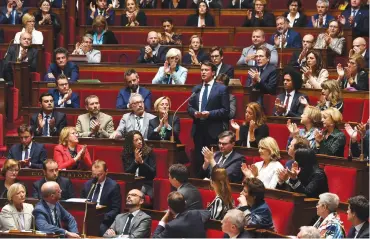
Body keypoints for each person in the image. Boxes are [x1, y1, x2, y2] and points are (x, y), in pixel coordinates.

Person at [187, 61, 230, 177]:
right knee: (199, 159)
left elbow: (226, 111)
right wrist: (194, 113)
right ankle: (199, 180)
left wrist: (209, 114)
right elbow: (189, 107)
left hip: (213, 131)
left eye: (206, 70)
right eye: (202, 70)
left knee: (212, 159)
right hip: (198, 130)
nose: (203, 72)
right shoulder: (196, 88)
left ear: (213, 73)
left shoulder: (221, 89)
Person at [81, 160, 122, 236]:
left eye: (99, 174)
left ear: (106, 172)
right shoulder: (87, 185)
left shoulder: (113, 186)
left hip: (104, 220)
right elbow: (82, 203)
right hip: (87, 218)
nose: (96, 177)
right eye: (94, 174)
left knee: (99, 229)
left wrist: (102, 217)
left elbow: (116, 209)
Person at [123, 130, 156, 198]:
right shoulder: (126, 154)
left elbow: (153, 173)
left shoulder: (149, 152)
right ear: (131, 143)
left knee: (135, 194)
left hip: (146, 183)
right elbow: (128, 173)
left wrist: (142, 162)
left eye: (140, 139)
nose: (139, 142)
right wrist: (135, 161)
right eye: (136, 140)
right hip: (132, 183)